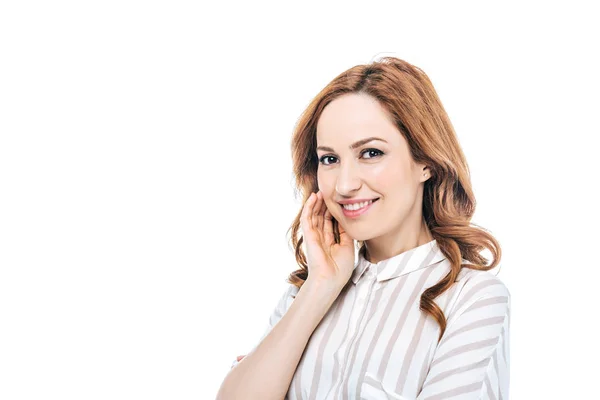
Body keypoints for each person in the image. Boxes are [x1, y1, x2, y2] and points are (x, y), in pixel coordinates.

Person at [216, 57, 510, 400]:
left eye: (371, 153)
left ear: (426, 162)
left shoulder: (472, 298)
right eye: (329, 159)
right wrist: (320, 287)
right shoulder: (306, 291)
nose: (344, 184)